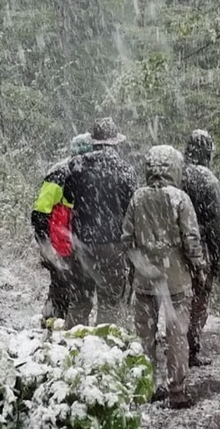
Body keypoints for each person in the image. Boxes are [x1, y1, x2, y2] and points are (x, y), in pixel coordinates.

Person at [122, 145, 206, 409]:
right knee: (176, 334)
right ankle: (177, 390)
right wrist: (199, 266)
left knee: (144, 335)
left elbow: (126, 236)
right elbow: (191, 239)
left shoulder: (138, 198)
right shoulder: (180, 199)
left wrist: (137, 261)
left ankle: (144, 387)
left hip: (146, 277)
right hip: (175, 277)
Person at [64, 117, 140, 327]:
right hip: (112, 244)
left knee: (80, 300)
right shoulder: (126, 170)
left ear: (94, 140)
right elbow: (131, 208)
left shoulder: (76, 166)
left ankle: (71, 346)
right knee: (109, 302)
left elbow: (69, 198)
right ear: (115, 142)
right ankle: (104, 348)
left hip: (81, 242)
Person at [29, 134, 94, 321]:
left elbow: (40, 211)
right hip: (62, 242)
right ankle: (55, 325)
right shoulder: (65, 173)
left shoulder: (62, 171)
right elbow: (41, 211)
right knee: (64, 287)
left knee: (62, 286)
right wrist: (46, 243)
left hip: (64, 240)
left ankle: (54, 324)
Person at [181, 129, 220, 367]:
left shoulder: (177, 174)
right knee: (199, 299)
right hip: (202, 248)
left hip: (177, 248)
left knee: (179, 298)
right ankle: (191, 346)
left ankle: (176, 344)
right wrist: (219, 257)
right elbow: (217, 221)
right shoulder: (208, 180)